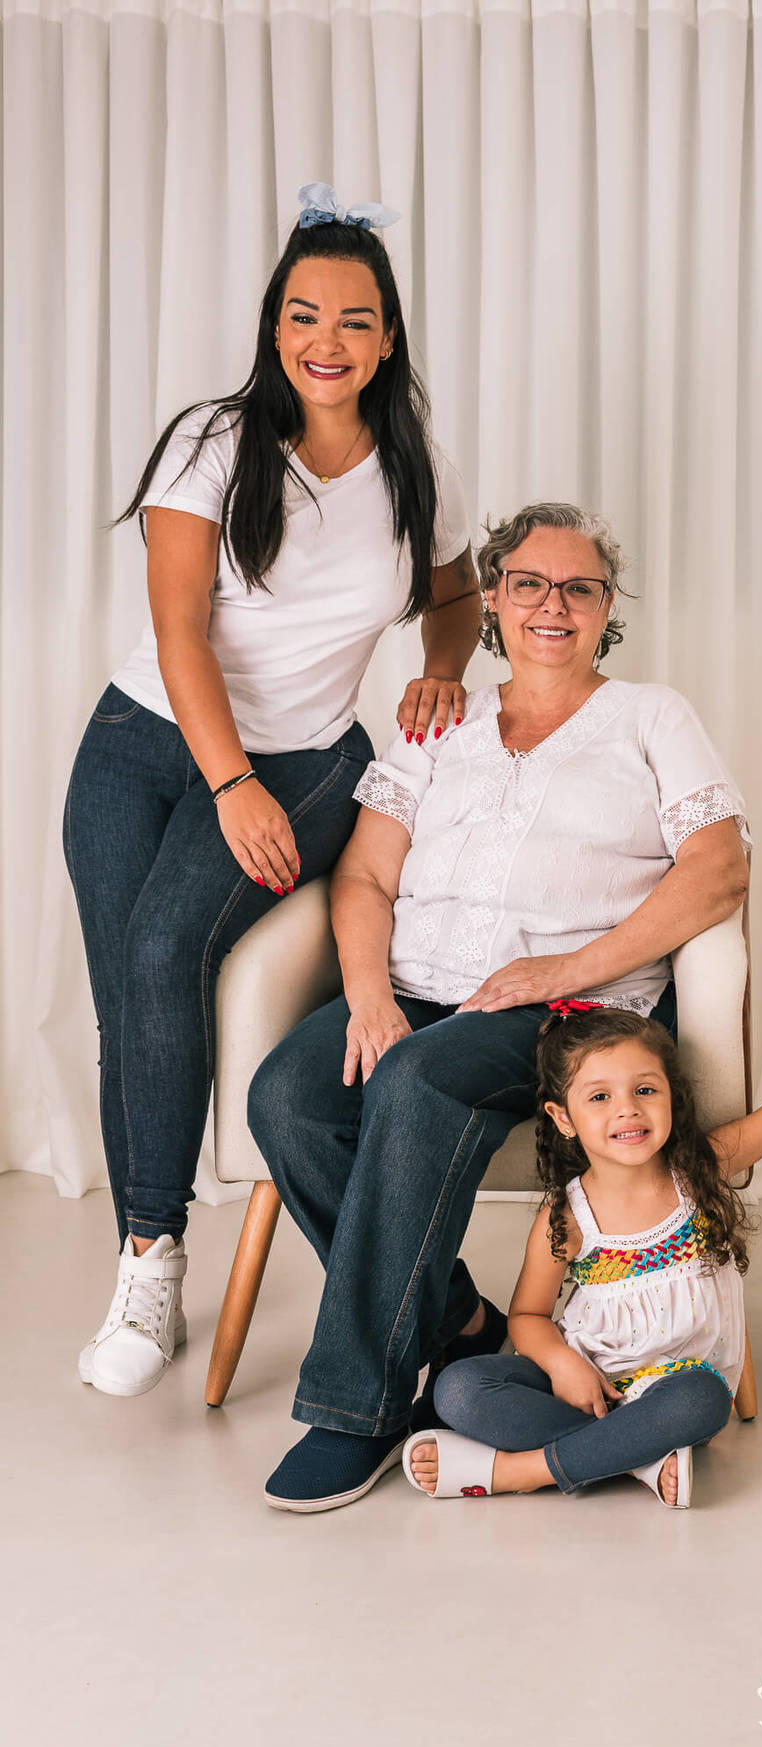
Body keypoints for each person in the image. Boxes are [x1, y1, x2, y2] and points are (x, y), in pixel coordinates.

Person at [249, 501, 753, 1512]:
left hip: (571, 1014)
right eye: (528, 583)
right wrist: (363, 995)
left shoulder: (652, 716)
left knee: (419, 1079)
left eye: (579, 587)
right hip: (410, 988)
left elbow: (719, 873)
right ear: (492, 598)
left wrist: (567, 967)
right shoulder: (441, 723)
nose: (552, 604)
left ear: (608, 608)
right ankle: (459, 1326)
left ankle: (361, 1407)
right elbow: (363, 881)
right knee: (289, 1096)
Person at [65, 182, 481, 1401]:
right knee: (123, 1003)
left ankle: (153, 1249)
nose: (326, 342)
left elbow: (453, 595)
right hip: (143, 745)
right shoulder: (212, 441)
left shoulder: (416, 467)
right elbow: (182, 633)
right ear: (274, 322)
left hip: (305, 758)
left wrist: (441, 674)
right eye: (304, 315)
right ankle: (148, 1260)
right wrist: (222, 779)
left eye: (354, 320)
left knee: (160, 957)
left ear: (388, 334)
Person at [403, 1007, 762, 1507]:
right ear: (563, 1119)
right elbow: (528, 1316)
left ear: (670, 1096)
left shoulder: (700, 1169)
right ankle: (640, 1459)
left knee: (702, 1405)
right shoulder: (568, 1216)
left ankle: (522, 1471)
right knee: (459, 1389)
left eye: (645, 1090)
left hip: (678, 1385)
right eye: (600, 1097)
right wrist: (561, 1365)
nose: (627, 1110)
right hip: (589, 1379)